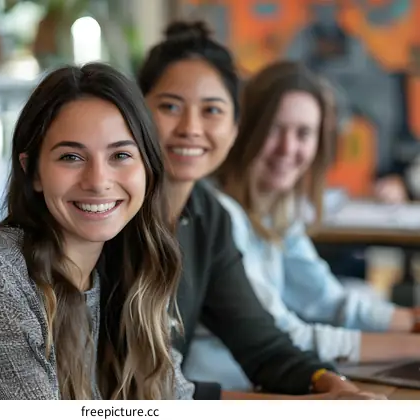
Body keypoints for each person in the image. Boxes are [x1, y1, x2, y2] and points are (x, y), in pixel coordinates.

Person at [0, 63, 195, 400]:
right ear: (32, 171)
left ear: (148, 169)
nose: (97, 181)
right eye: (70, 157)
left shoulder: (128, 271)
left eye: (121, 155)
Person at [138, 21, 384, 399]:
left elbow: (262, 343)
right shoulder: (113, 214)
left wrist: (328, 383)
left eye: (212, 110)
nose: (190, 127)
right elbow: (138, 392)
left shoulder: (205, 214)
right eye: (170, 106)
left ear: (236, 127)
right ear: (136, 112)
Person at [205, 60, 420, 390]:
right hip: (231, 391)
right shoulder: (219, 212)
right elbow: (283, 335)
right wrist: (411, 344)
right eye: (275, 129)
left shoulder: (279, 206)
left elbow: (326, 300)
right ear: (246, 128)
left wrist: (411, 321)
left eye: (303, 133)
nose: (288, 148)